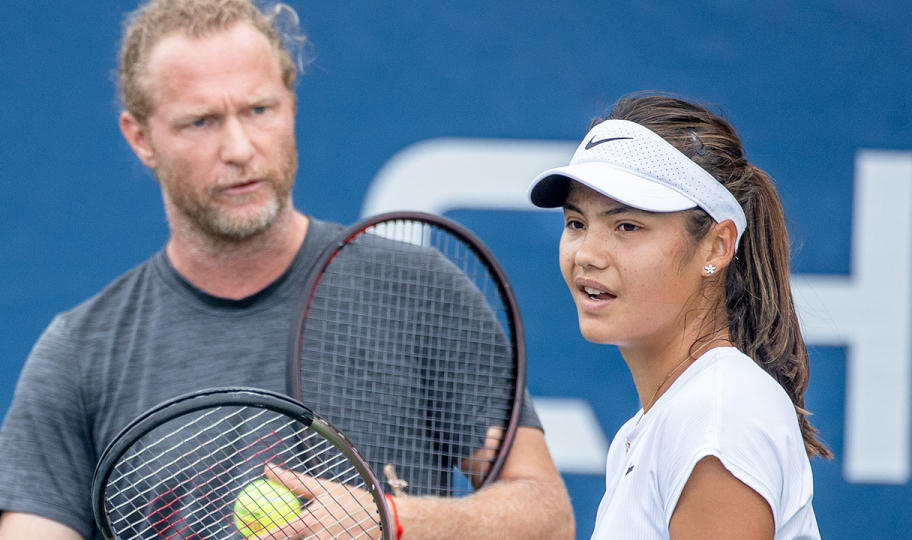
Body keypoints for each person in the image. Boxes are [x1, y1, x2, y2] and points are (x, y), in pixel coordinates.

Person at [0, 1, 574, 539]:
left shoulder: (423, 291)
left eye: (258, 110)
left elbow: (547, 518)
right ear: (141, 138)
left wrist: (391, 519)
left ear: (291, 105)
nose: (240, 147)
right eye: (200, 121)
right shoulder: (77, 354)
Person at [528, 94, 831, 539]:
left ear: (717, 245)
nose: (587, 255)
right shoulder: (658, 425)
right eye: (576, 223)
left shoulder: (717, 418)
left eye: (626, 226)